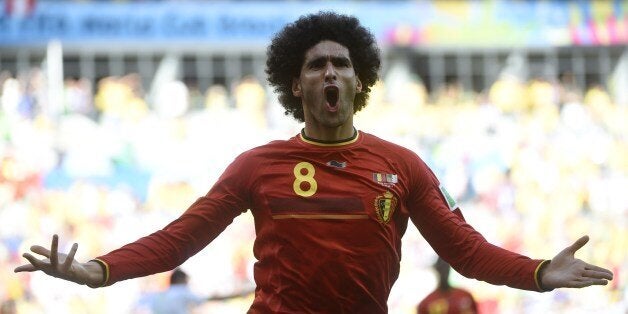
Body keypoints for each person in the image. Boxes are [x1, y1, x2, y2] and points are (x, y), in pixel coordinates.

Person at [15, 11, 613, 313]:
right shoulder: (256, 167)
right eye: (315, 65)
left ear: (360, 82)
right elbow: (179, 240)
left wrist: (537, 273)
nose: (330, 71)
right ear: (295, 87)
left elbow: (465, 250)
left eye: (342, 64)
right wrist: (98, 270)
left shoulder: (402, 167)